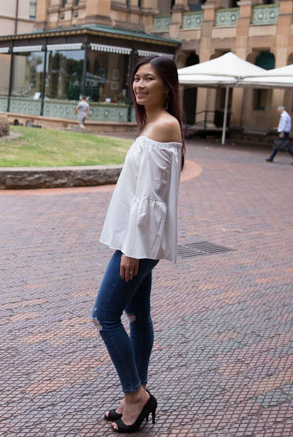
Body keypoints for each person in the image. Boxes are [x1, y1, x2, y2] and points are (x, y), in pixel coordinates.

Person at [92, 55, 184, 434]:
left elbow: (152, 198)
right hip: (141, 238)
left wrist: (131, 249)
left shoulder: (164, 126)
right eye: (136, 79)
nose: (140, 85)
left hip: (139, 242)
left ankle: (134, 394)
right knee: (137, 316)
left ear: (167, 85)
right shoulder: (155, 124)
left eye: (149, 79)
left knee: (105, 316)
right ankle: (139, 391)